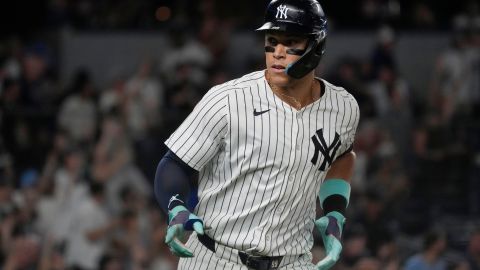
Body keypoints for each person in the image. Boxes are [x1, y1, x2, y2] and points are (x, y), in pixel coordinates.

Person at [154, 0, 360, 269]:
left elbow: (343, 157)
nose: (278, 52)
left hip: (292, 262)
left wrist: (334, 212)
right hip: (216, 257)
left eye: (291, 43)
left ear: (317, 46)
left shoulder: (344, 108)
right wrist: (177, 208)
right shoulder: (227, 99)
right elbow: (173, 165)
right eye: (272, 40)